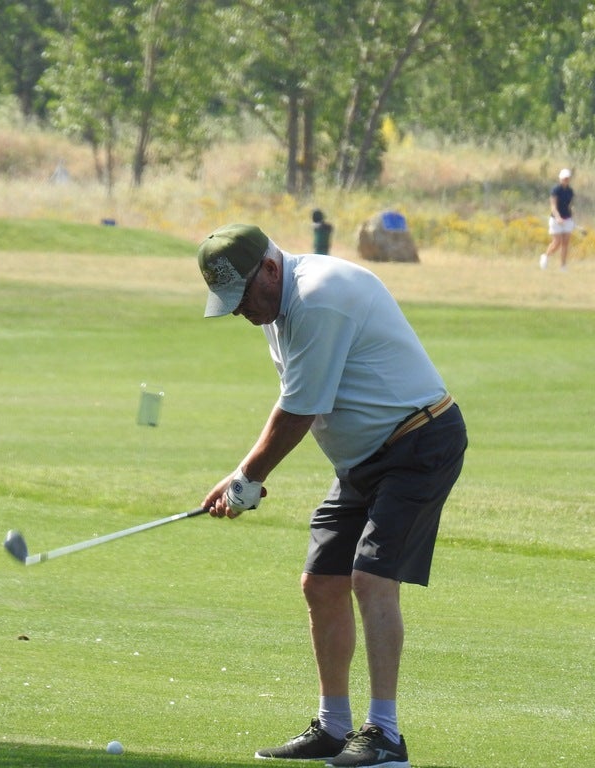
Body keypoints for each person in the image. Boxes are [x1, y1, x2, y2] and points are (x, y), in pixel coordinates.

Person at [197, 223, 468, 768]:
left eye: (242, 296)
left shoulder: (318, 297)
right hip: (362, 461)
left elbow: (299, 410)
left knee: (370, 577)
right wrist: (245, 476)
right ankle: (333, 726)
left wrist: (246, 479)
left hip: (418, 442)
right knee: (321, 582)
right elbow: (297, 397)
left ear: (269, 268)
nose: (240, 310)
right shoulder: (276, 308)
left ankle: (385, 735)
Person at [540, 168, 575, 270]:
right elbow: (553, 206)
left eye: (567, 178)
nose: (566, 180)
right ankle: (545, 256)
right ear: (560, 178)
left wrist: (572, 216)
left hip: (567, 218)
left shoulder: (570, 191)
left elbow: (570, 205)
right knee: (557, 242)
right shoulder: (556, 190)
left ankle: (563, 266)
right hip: (556, 219)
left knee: (565, 243)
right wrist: (558, 218)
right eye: (564, 178)